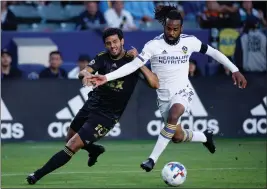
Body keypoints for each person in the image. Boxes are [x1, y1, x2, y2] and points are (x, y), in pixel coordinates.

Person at [89, 5, 247, 172]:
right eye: (168, 28)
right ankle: (204, 136)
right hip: (164, 97)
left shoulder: (190, 41)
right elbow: (134, 65)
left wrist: (234, 69)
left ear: (181, 28)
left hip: (183, 91)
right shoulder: (153, 45)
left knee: (174, 115)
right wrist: (106, 77)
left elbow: (213, 52)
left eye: (175, 29)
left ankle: (152, 159)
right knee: (177, 136)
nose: (171, 32)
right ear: (164, 26)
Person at [26, 28, 159, 185]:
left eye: (115, 42)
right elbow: (83, 72)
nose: (112, 46)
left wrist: (139, 61)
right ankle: (94, 149)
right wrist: (86, 77)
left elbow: (155, 83)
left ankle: (37, 175)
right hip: (92, 104)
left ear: (122, 41)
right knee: (69, 138)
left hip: (107, 115)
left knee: (72, 145)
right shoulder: (102, 58)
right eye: (108, 43)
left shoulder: (132, 62)